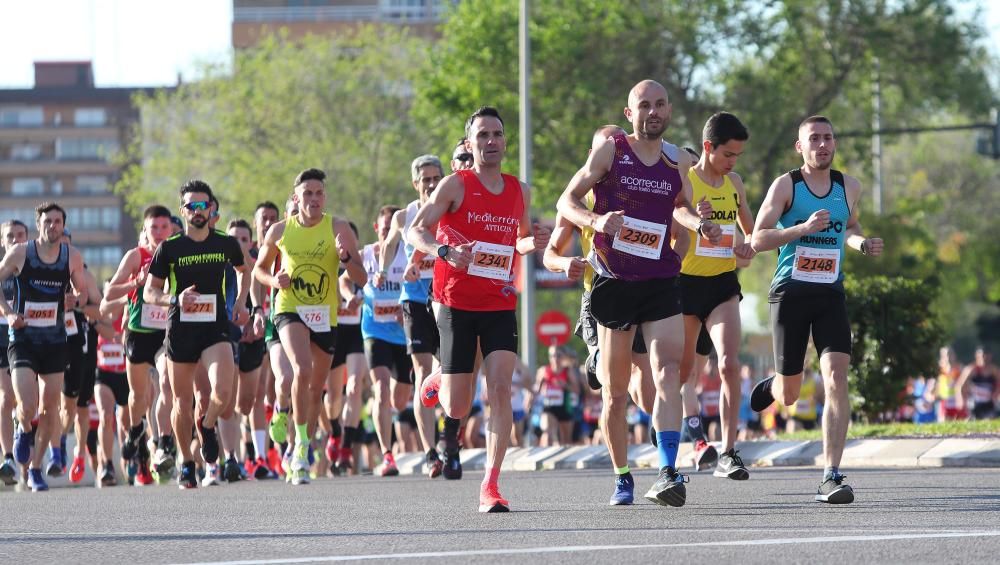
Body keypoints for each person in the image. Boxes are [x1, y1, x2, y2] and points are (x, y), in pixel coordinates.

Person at [556, 80, 718, 507]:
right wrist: (595, 221)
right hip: (616, 281)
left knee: (668, 372)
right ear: (631, 113)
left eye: (660, 104)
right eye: (644, 105)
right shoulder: (611, 150)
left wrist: (696, 224)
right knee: (614, 391)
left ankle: (668, 470)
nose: (653, 112)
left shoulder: (678, 158)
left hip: (661, 280)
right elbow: (566, 200)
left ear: (669, 110)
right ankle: (623, 475)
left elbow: (679, 206)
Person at [409, 106, 549, 512]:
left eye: (497, 134)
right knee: (455, 405)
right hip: (455, 302)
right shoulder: (455, 184)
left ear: (505, 142)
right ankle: (440, 375)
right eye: (483, 135)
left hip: (500, 301)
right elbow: (416, 229)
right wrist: (445, 251)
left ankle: (490, 484)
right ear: (470, 144)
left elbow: (519, 240)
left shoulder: (519, 190)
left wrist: (532, 243)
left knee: (501, 389)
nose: (491, 141)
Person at [749, 115, 884, 505]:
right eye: (814, 139)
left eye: (828, 138)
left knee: (836, 377)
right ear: (800, 147)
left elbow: (850, 226)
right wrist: (801, 229)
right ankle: (775, 385)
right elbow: (758, 238)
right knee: (790, 394)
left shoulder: (848, 186)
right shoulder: (786, 186)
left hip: (830, 292)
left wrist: (861, 244)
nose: (822, 145)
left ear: (834, 142)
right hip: (790, 291)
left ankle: (831, 474)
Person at [253, 169, 365, 485]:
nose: (313, 199)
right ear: (296, 198)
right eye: (307, 193)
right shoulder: (279, 231)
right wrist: (273, 280)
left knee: (316, 390)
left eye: (318, 193)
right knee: (301, 369)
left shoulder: (339, 228)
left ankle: (300, 443)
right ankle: (300, 450)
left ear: (324, 197)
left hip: (325, 314)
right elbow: (259, 271)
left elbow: (362, 279)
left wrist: (345, 258)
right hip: (289, 309)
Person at [144, 180, 252, 489]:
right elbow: (151, 292)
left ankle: (206, 426)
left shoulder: (225, 243)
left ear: (212, 208)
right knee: (182, 401)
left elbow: (245, 270)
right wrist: (174, 299)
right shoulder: (170, 247)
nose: (198, 210)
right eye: (192, 206)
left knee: (223, 393)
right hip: (181, 331)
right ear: (184, 211)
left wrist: (241, 301)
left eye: (204, 205)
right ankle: (187, 464)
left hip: (215, 328)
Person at [677, 112, 755, 480]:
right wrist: (698, 219)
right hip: (685, 284)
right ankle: (695, 437)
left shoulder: (735, 183)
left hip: (723, 284)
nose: (732, 163)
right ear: (708, 147)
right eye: (727, 155)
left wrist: (746, 248)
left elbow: (749, 231)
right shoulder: (686, 182)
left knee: (729, 364)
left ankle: (729, 451)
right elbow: (676, 216)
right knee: (685, 372)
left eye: (737, 156)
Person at [0, 202, 90, 491]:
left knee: (51, 408)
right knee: (27, 405)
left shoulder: (71, 256)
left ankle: (35, 468)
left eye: (57, 221)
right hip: (24, 340)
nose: (53, 226)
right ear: (37, 225)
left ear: (63, 225)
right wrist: (9, 313)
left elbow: (82, 291)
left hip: (54, 341)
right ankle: (23, 429)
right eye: (47, 221)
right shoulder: (21, 253)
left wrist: (76, 298)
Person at [378, 155, 445, 478]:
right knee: (421, 371)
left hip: (447, 299)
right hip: (414, 300)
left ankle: (449, 439)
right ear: (415, 183)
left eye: (436, 178)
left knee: (453, 370)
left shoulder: (449, 209)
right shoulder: (405, 215)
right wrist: (381, 270)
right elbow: (389, 245)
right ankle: (432, 452)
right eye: (426, 179)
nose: (431, 184)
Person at [102, 205, 173, 480]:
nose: (159, 233)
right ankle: (135, 427)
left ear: (171, 229)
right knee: (138, 396)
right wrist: (136, 282)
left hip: (165, 332)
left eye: (164, 227)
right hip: (137, 333)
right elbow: (109, 292)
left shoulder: (176, 254)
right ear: (146, 230)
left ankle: (164, 441)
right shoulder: (135, 256)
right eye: (153, 227)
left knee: (166, 381)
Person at [361, 205, 412, 476]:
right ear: (377, 228)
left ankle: (382, 410)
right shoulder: (367, 254)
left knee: (400, 401)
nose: (387, 232)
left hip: (401, 334)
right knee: (381, 389)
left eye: (392, 228)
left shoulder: (406, 253)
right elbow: (347, 280)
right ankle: (387, 455)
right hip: (374, 331)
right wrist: (352, 295)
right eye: (383, 228)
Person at [0, 219, 28, 485]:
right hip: (2, 336)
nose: (16, 240)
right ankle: (8, 457)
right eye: (10, 236)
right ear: (2, 241)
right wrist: (7, 314)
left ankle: (27, 462)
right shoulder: (2, 270)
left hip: (29, 335)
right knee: (7, 396)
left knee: (26, 401)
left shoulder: (33, 264)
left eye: (21, 235)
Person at [957, 347, 999, 420]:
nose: (984, 358)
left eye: (986, 356)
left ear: (990, 357)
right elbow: (960, 385)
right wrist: (961, 400)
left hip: (989, 402)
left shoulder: (994, 370)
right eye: (982, 356)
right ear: (977, 356)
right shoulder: (971, 369)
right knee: (974, 418)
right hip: (974, 402)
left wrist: (996, 394)